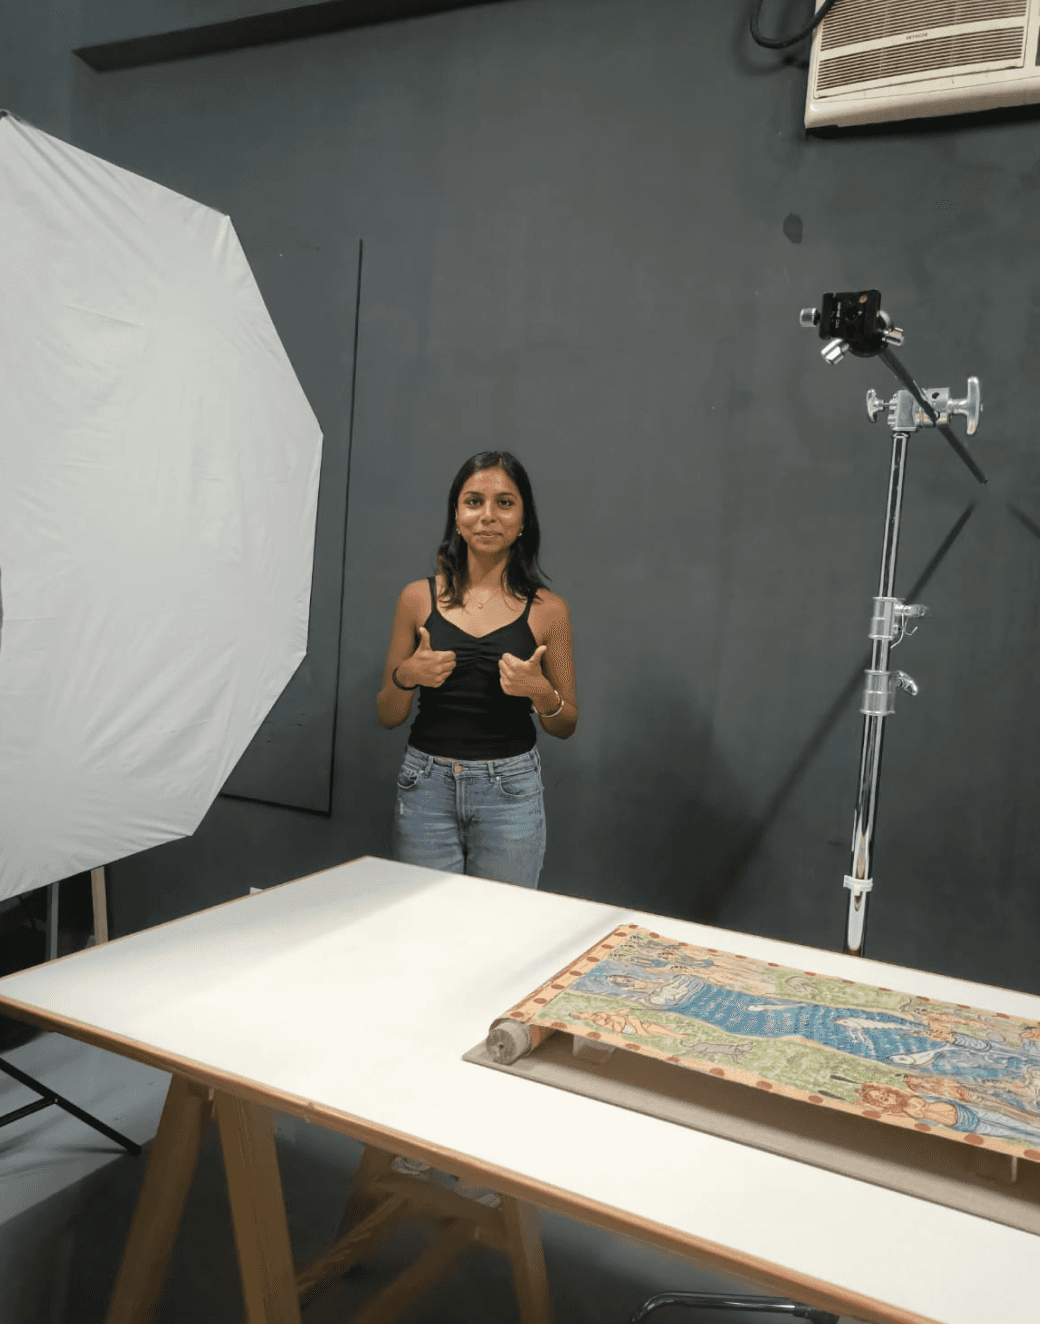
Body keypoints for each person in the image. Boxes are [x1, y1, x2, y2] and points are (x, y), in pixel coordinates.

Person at [377, 451, 577, 889]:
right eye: (473, 502)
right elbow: (388, 715)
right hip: (425, 788)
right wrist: (406, 676)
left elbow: (566, 724)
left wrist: (541, 692)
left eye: (504, 503)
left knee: (502, 924)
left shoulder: (549, 610)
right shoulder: (416, 598)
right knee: (425, 920)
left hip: (510, 792)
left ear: (523, 520)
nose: (488, 516)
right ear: (456, 514)